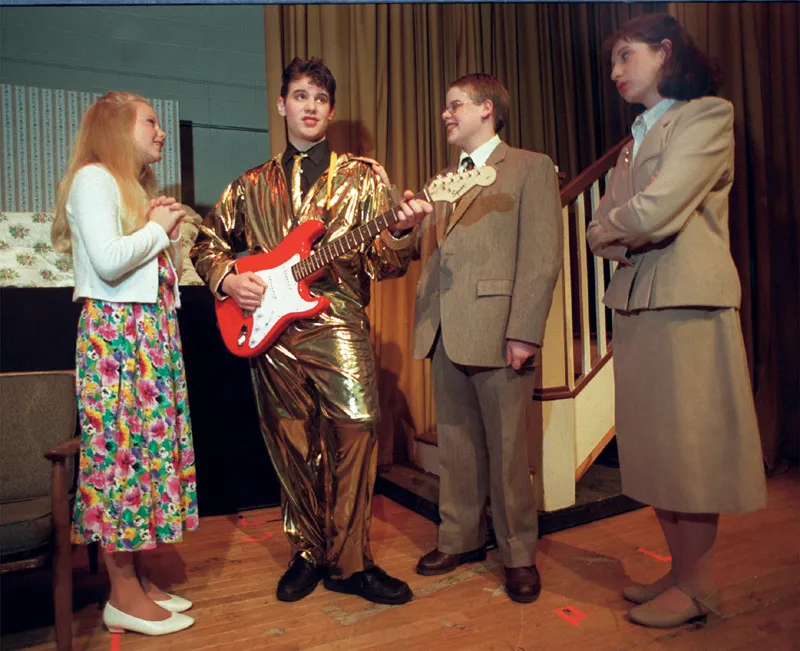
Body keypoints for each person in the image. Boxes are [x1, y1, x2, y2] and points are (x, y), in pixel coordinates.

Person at [191, 57, 430, 605]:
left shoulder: (365, 176)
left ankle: (351, 562)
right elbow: (207, 243)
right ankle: (307, 552)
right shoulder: (250, 184)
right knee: (292, 441)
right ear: (282, 105)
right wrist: (228, 280)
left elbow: (385, 264)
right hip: (269, 330)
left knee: (359, 425)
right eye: (301, 96)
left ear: (331, 110)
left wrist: (401, 234)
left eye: (320, 99)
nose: (311, 107)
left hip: (338, 317)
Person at [587, 13, 767, 628]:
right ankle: (678, 570)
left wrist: (620, 223)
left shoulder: (708, 116)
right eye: (613, 61)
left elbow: (655, 212)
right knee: (659, 450)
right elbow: (604, 227)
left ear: (665, 53)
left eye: (625, 56)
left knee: (689, 450)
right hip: (640, 302)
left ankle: (700, 586)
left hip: (687, 301)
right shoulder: (636, 138)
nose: (615, 71)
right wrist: (621, 223)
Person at [385, 73, 563, 603]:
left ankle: (517, 555)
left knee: (508, 452)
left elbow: (542, 256)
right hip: (444, 331)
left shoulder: (530, 168)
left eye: (455, 105)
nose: (446, 113)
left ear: (487, 109)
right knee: (458, 447)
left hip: (500, 331)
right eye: (445, 106)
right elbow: (418, 256)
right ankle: (460, 539)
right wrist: (403, 229)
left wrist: (525, 332)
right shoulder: (444, 182)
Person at [51, 91, 199, 636]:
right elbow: (111, 263)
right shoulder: (94, 178)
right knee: (121, 462)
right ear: (117, 127)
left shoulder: (130, 187)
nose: (161, 132)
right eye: (151, 122)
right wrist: (159, 228)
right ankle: (122, 594)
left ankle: (138, 579)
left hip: (146, 338)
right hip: (118, 340)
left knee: (142, 460)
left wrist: (160, 228)